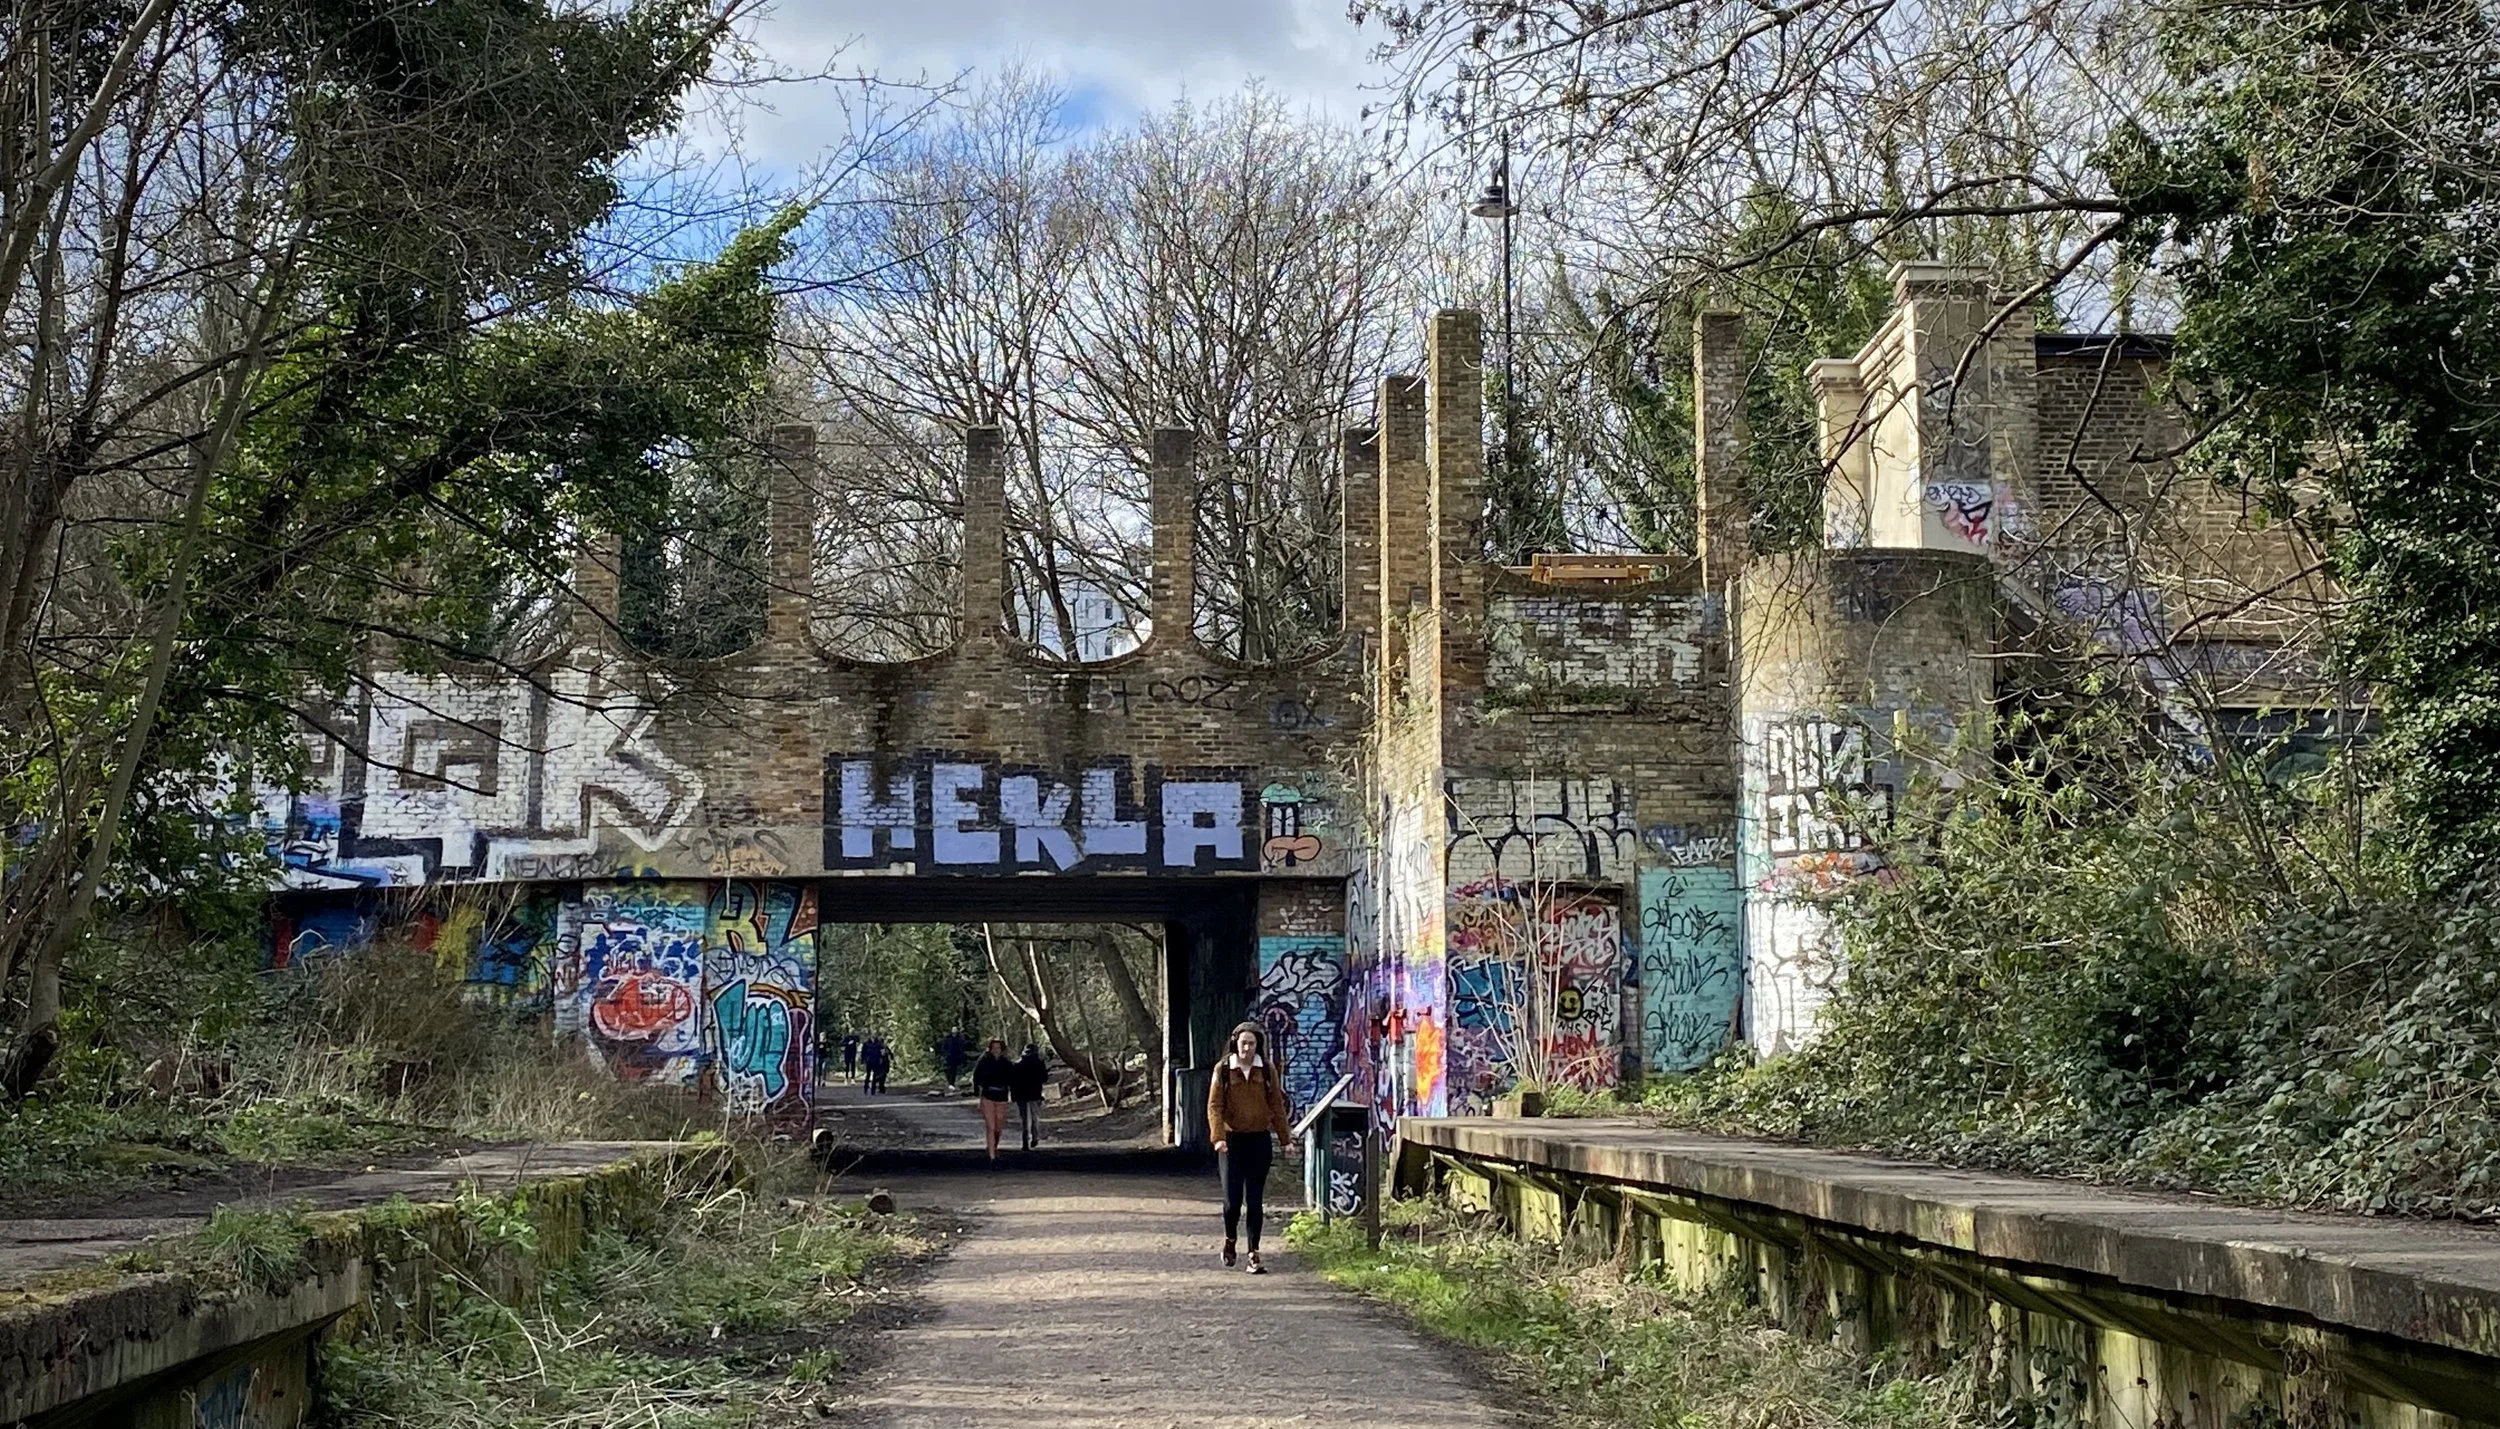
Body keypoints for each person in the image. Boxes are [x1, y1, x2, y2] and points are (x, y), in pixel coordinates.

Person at [1207, 1021, 1292, 1274]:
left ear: (1258, 1046)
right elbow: (1214, 1106)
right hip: (1231, 1144)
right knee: (1233, 1202)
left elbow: (1276, 1105)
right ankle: (1230, 1240)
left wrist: (1285, 1140)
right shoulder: (1223, 1070)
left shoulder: (1266, 1070)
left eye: (1252, 1043)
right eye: (1243, 1043)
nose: (1247, 1048)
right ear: (1235, 1043)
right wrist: (1218, 1137)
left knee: (1255, 1201)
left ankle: (1254, 1252)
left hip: (1259, 1141)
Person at [971, 1036, 1016, 1161]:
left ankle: (994, 1146)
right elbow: (976, 1076)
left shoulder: (1007, 1063)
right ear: (990, 1049)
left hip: (1002, 1096)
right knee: (990, 1126)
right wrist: (977, 1091)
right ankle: (992, 1156)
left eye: (999, 1048)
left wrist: (1014, 1093)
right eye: (994, 1048)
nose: (996, 1050)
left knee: (998, 1126)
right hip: (988, 1096)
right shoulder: (984, 1061)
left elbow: (1013, 1079)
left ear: (1002, 1050)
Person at [1010, 1043, 1048, 1151]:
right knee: (1034, 1117)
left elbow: (1012, 1082)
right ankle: (1035, 1137)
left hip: (1020, 1095)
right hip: (1035, 1094)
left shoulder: (1017, 1064)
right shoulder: (1039, 1063)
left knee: (1024, 1119)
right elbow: (1044, 1079)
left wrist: (1013, 1096)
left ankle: (1025, 1140)